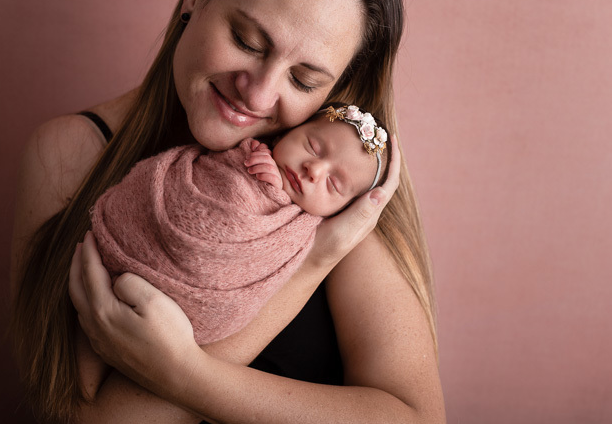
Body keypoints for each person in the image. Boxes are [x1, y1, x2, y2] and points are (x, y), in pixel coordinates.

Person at [10, 0, 445, 424]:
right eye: (247, 40)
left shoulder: (332, 183)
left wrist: (187, 373)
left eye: (304, 80)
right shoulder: (68, 154)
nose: (259, 93)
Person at [91, 105, 389, 351]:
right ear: (289, 132)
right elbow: (222, 179)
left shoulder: (308, 231)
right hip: (138, 241)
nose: (314, 170)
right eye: (313, 146)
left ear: (343, 209)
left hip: (186, 307)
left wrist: (276, 194)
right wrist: (256, 170)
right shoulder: (249, 153)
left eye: (333, 184)